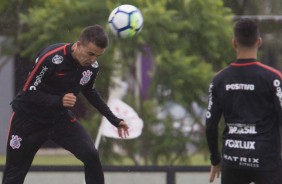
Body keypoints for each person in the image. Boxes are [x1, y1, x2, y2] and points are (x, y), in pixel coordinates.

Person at [2, 24, 129, 184]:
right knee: (14, 176)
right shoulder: (51, 58)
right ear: (78, 45)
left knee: (91, 155)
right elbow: (28, 92)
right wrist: (59, 100)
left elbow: (90, 92)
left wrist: (115, 120)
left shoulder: (92, 67)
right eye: (90, 54)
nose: (93, 60)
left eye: (98, 56)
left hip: (58, 120)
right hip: (27, 121)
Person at [205, 18, 282, 184]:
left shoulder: (219, 80)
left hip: (233, 160)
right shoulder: (274, 78)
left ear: (234, 43)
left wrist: (215, 159)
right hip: (266, 161)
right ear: (259, 42)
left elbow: (211, 126)